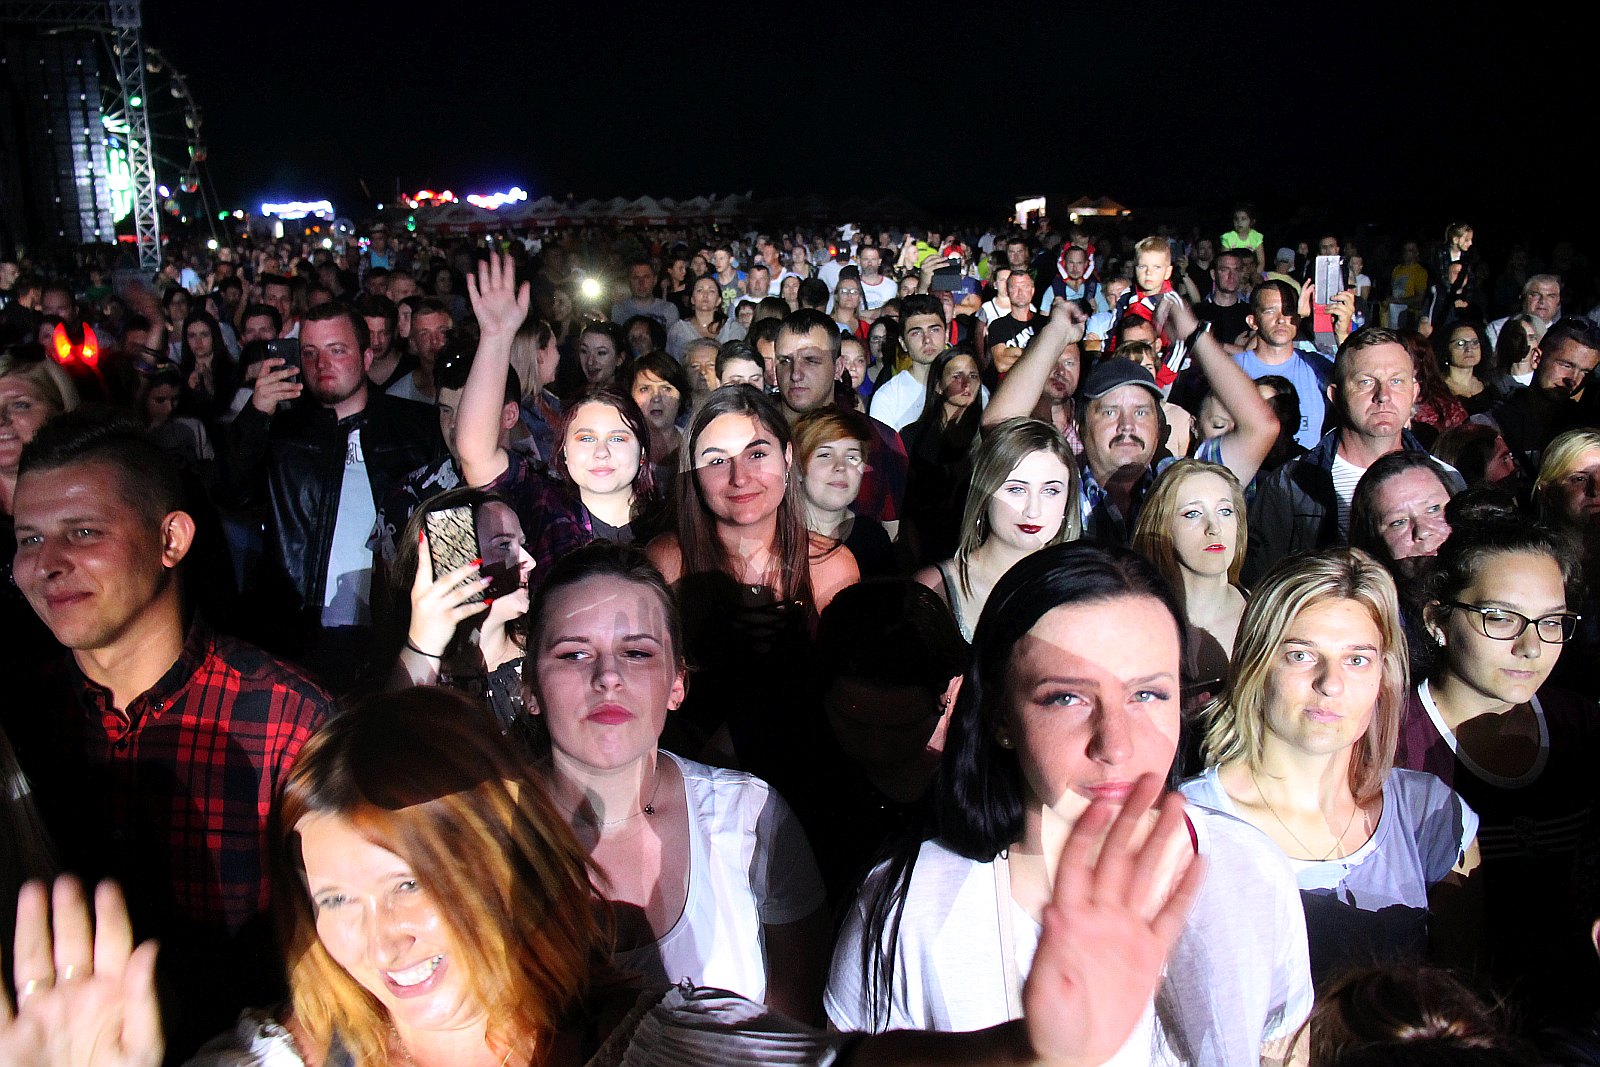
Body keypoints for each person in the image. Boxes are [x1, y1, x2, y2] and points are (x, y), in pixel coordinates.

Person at [2, 697, 1213, 1067]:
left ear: (509, 857)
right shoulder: (272, 1063)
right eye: (337, 895)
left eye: (419, 875)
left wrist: (1037, 1048)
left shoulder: (653, 1044)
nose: (384, 931)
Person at [830, 541, 1311, 1063]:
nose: (1116, 744)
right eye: (1067, 698)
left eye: (1147, 694)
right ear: (999, 716)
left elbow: (1281, 1052)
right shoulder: (910, 908)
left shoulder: (1253, 872)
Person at [7, 410, 330, 1055]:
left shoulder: (285, 719)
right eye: (29, 539)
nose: (46, 564)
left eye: (83, 532)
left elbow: (339, 953)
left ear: (172, 540)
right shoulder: (19, 721)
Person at [524, 543, 828, 1014]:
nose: (608, 676)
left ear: (677, 683)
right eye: (575, 654)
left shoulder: (751, 819)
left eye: (637, 652)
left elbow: (796, 1034)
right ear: (530, 689)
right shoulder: (481, 835)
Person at [1182, 548, 1479, 986]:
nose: (1330, 683)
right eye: (1301, 655)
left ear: (1383, 676)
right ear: (1256, 664)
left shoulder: (1428, 815)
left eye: (1357, 659)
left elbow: (1462, 999)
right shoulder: (1188, 825)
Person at [1398, 508, 1599, 1026]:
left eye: (1552, 621)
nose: (1531, 647)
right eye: (1500, 618)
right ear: (1437, 620)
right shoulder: (1394, 744)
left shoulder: (1580, 725)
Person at [223, 301, 444, 686]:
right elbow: (230, 492)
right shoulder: (282, 433)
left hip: (396, 632)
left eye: (336, 350)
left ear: (367, 355)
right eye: (309, 353)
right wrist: (256, 415)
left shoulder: (415, 427)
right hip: (303, 636)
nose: (321, 364)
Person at [1246, 326, 1459, 584]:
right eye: (1366, 382)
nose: (1383, 396)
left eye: (1396, 381)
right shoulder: (1290, 486)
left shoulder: (1447, 480)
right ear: (1335, 395)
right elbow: (1263, 581)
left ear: (1414, 393)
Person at [385, 487, 536, 738]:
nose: (529, 560)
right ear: (448, 559)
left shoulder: (546, 654)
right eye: (503, 545)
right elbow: (391, 756)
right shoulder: (402, 674)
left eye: (521, 544)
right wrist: (423, 645)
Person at [914, 418, 1077, 642]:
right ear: (985, 493)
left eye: (1050, 491)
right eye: (1017, 489)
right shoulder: (936, 587)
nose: (1033, 510)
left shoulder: (1082, 588)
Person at [1130, 459, 1249, 708]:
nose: (1214, 528)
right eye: (1193, 514)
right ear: (1162, 526)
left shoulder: (1266, 615)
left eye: (1225, 511)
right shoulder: (1135, 621)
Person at [1474, 316, 1600, 479]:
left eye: (1585, 372)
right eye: (1566, 365)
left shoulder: (1584, 430)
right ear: (1536, 359)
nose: (1573, 379)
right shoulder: (1489, 425)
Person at [900, 349, 985, 565]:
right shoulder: (912, 437)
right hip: (924, 550)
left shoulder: (987, 439)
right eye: (957, 376)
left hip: (973, 551)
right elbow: (905, 506)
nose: (966, 383)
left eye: (973, 376)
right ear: (938, 385)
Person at [795, 408, 896, 578]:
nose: (840, 466)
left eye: (852, 457)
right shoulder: (773, 535)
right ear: (797, 467)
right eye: (825, 455)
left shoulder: (873, 541)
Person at [624, 351, 688, 487]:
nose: (656, 398)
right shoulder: (621, 448)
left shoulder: (695, 446)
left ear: (681, 397)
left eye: (666, 388)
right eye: (645, 389)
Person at [1435, 321, 1510, 416]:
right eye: (1460, 343)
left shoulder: (1490, 386)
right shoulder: (1436, 389)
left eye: (1474, 342)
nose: (1469, 348)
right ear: (1446, 349)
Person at [666, 275, 725, 360]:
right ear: (692, 299)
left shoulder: (732, 329)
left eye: (711, 291)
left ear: (719, 300)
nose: (705, 295)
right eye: (700, 290)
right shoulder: (678, 330)